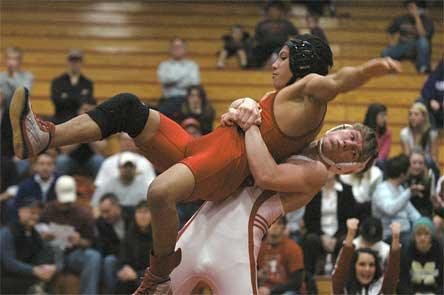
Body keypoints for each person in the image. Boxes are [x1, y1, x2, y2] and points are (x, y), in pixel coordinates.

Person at [8, 34, 401, 293]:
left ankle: (159, 269)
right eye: (347, 135)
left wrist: (374, 68)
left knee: (159, 192)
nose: (274, 64)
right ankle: (45, 136)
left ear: (301, 63)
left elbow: (336, 83)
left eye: (282, 57)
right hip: (206, 147)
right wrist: (240, 108)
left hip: (224, 167)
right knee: (129, 107)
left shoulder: (310, 96)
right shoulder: (289, 105)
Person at [171, 123, 379, 294]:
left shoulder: (318, 172)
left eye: (353, 151)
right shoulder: (296, 135)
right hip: (199, 227)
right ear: (342, 127)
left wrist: (249, 123)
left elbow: (265, 176)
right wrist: (240, 109)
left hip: (235, 247)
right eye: (351, 136)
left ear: (348, 169)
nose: (346, 143)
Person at [40, 176, 102, 295]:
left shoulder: (84, 214)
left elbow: (90, 242)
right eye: (63, 202)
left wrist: (79, 241)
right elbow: (37, 232)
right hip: (52, 253)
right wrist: (45, 236)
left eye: (68, 203)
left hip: (73, 254)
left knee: (93, 256)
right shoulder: (47, 209)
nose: (65, 205)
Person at [0, 197, 56, 295]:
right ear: (21, 212)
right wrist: (34, 270)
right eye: (32, 213)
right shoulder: (6, 233)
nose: (36, 217)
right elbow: (9, 262)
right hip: (8, 280)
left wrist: (50, 268)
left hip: (28, 278)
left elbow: (46, 252)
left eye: (38, 214)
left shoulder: (35, 234)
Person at [303, 173, 355, 275]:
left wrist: (336, 236)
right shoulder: (313, 191)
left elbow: (350, 218)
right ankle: (309, 280)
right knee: (310, 240)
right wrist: (322, 235)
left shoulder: (346, 190)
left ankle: (344, 280)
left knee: (345, 242)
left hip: (340, 233)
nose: (329, 171)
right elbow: (309, 219)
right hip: (318, 233)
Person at [332, 218, 401, 295]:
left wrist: (396, 238)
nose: (367, 269)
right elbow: (341, 269)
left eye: (371, 265)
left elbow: (393, 271)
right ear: (354, 266)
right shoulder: (343, 288)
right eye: (362, 264)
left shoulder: (382, 289)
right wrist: (350, 234)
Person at [372, 154, 421, 245]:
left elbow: (412, 212)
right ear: (402, 174)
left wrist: (424, 223)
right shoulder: (382, 189)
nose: (410, 172)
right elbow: (390, 209)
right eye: (409, 170)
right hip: (389, 235)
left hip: (406, 232)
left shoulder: (400, 188)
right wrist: (409, 192)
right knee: (414, 242)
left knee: (432, 238)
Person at [55, 97, 105, 177]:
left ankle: (99, 188)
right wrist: (80, 135)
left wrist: (89, 133)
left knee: (99, 160)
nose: (88, 114)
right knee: (61, 160)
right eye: (85, 110)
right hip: (72, 158)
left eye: (92, 111)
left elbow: (101, 150)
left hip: (90, 159)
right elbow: (64, 150)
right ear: (78, 111)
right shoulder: (70, 123)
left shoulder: (101, 124)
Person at [381, 0, 434, 73]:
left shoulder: (426, 20)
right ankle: (392, 66)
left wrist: (417, 18)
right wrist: (391, 43)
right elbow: (389, 32)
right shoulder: (401, 19)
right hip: (403, 46)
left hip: (417, 47)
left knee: (423, 42)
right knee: (385, 52)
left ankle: (423, 67)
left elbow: (423, 35)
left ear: (419, 9)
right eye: (408, 7)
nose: (410, 10)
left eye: (412, 7)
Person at [257, 216, 304, 295]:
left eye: (279, 223)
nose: (274, 226)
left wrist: (271, 290)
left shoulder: (293, 248)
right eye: (272, 223)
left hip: (285, 291)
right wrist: (257, 275)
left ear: (284, 227)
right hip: (262, 290)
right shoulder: (258, 248)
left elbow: (297, 282)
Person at [96, 193, 133, 294]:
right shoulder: (101, 223)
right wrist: (124, 262)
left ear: (117, 207)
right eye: (102, 212)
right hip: (118, 257)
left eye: (107, 211)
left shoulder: (132, 213)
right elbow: (106, 249)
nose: (105, 216)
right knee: (109, 261)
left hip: (136, 255)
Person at [115, 200, 153, 294]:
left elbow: (160, 267)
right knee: (122, 281)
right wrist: (125, 268)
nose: (142, 215)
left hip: (150, 278)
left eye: (146, 212)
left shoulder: (159, 236)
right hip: (131, 274)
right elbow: (123, 257)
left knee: (139, 283)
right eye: (139, 212)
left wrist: (137, 275)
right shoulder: (130, 234)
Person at [157, 38, 200, 119]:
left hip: (187, 100)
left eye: (180, 47)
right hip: (169, 100)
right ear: (170, 49)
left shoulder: (192, 65)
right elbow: (164, 80)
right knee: (160, 117)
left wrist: (173, 81)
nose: (177, 49)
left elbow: (194, 83)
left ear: (185, 49)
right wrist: (183, 78)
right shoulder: (163, 65)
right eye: (174, 47)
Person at [398, 217, 443, 294]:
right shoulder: (406, 250)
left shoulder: (441, 250)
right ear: (414, 236)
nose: (422, 238)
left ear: (431, 236)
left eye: (426, 234)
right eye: (419, 234)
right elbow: (402, 282)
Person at [51, 48, 94, 124]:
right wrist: (79, 102)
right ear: (67, 62)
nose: (74, 63)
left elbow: (89, 102)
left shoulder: (88, 83)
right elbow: (57, 102)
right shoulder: (57, 82)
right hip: (61, 121)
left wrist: (67, 96)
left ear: (82, 62)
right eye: (72, 60)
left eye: (78, 60)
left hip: (80, 122)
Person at [251, 0, 299, 68]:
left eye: (276, 10)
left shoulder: (287, 24)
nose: (273, 13)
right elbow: (256, 38)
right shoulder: (262, 24)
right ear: (268, 12)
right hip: (264, 48)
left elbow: (295, 37)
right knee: (255, 49)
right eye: (271, 11)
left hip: (280, 47)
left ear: (280, 12)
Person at [400, 102, 439, 178]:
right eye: (410, 114)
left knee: (430, 162)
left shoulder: (432, 134)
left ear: (424, 117)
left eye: (416, 114)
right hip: (411, 163)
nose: (412, 117)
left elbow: (434, 157)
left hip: (427, 163)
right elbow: (407, 155)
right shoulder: (404, 133)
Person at [363, 103, 392, 170]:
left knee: (382, 163)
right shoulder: (362, 131)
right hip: (364, 161)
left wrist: (374, 160)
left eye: (385, 115)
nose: (385, 119)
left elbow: (384, 153)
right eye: (382, 115)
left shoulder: (387, 132)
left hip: (378, 162)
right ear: (373, 116)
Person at [406, 150, 435, 217]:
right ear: (408, 163)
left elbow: (429, 204)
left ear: (424, 165)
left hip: (423, 214)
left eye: (421, 163)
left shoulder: (428, 179)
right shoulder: (402, 179)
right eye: (414, 162)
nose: (417, 166)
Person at [418, 59, 444, 130]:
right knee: (420, 102)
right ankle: (432, 131)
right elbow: (427, 87)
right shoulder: (440, 69)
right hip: (437, 107)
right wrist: (431, 99)